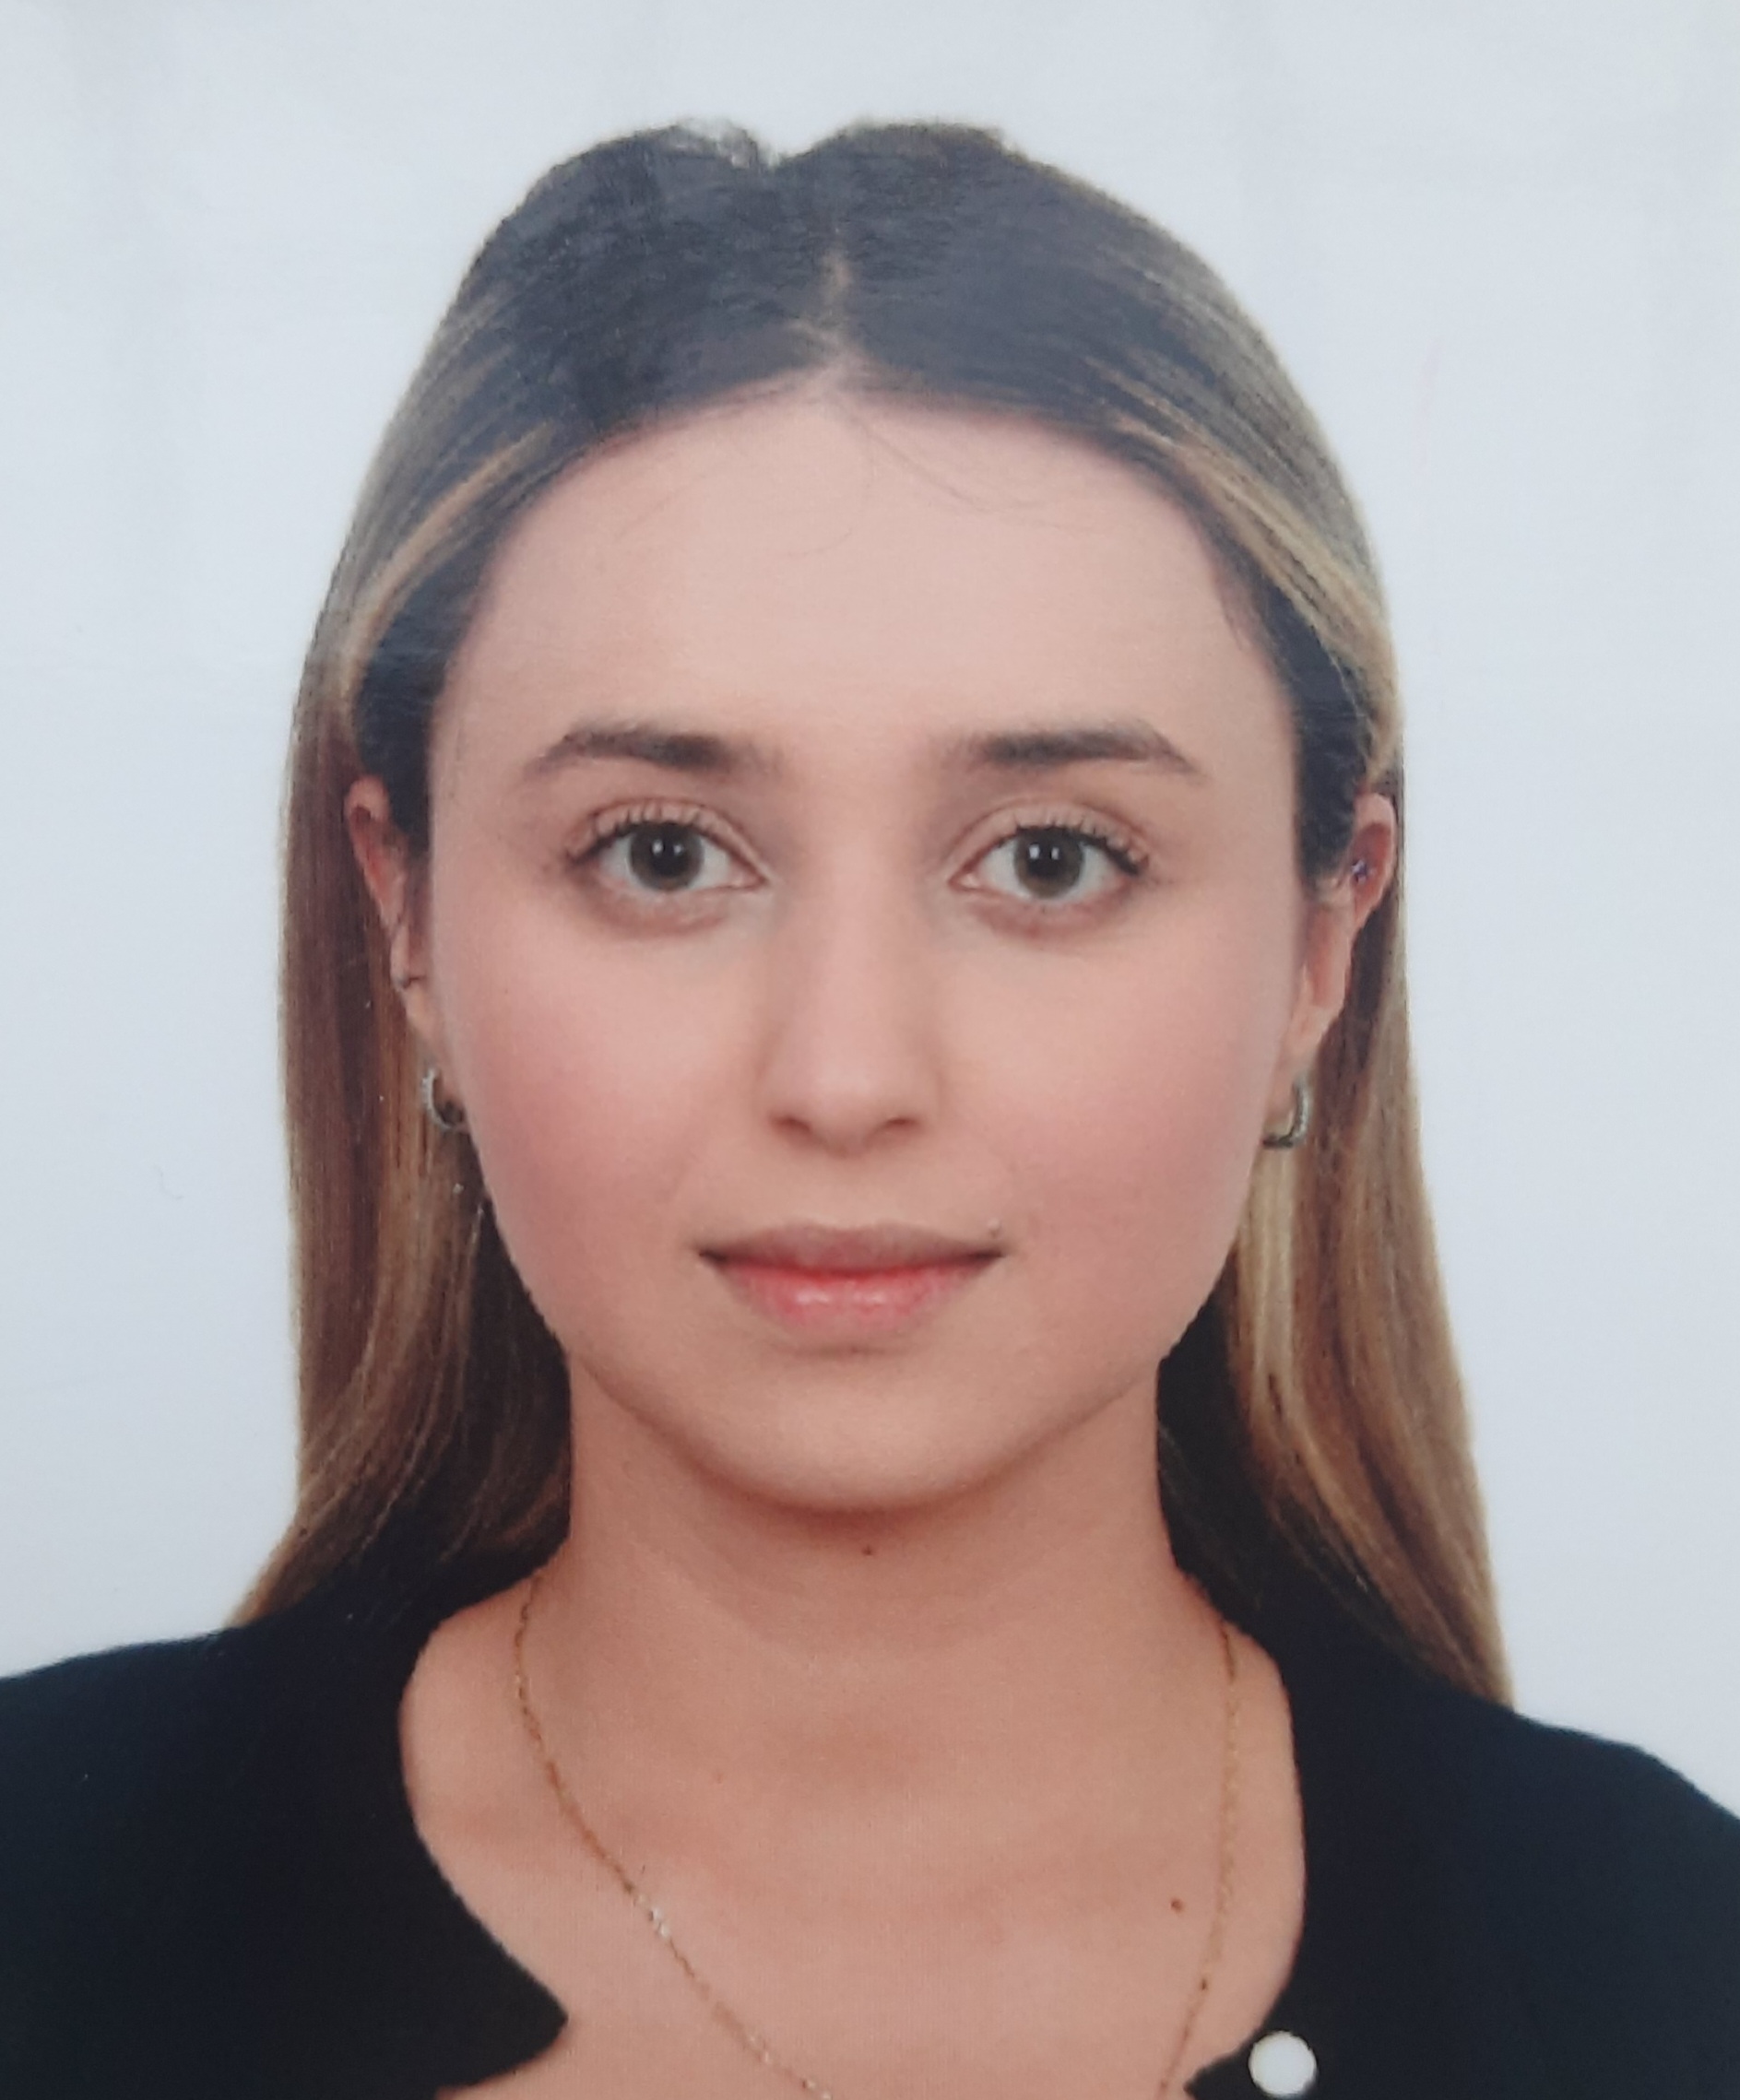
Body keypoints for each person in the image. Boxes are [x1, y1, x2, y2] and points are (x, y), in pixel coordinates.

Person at [1, 121, 1734, 2100]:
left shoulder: (1669, 1973)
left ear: (1322, 941)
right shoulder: (43, 1917)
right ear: (403, 914)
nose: (844, 1077)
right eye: (662, 852)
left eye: (1052, 860)